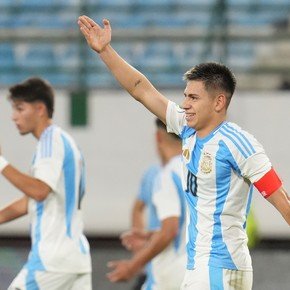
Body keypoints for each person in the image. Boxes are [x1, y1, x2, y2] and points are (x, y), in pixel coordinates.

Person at [78, 15, 290, 290]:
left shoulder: (239, 144)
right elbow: (141, 89)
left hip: (222, 268)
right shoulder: (187, 130)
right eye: (185, 96)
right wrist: (105, 51)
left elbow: (282, 200)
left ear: (219, 102)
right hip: (197, 267)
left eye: (193, 97)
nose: (185, 104)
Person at [0, 77, 92, 290]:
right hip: (75, 257)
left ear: (40, 109)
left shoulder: (50, 141)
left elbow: (39, 191)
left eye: (19, 109)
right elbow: (31, 200)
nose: (14, 117)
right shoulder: (63, 141)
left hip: (52, 260)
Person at [107, 118, 187, 290]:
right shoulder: (198, 172)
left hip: (169, 271)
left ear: (158, 137)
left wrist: (133, 265)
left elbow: (170, 230)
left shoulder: (166, 176)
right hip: (198, 272)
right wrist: (149, 236)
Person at [130, 164, 160, 290]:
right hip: (155, 261)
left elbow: (171, 229)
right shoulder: (154, 173)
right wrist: (140, 242)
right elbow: (138, 208)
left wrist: (132, 266)